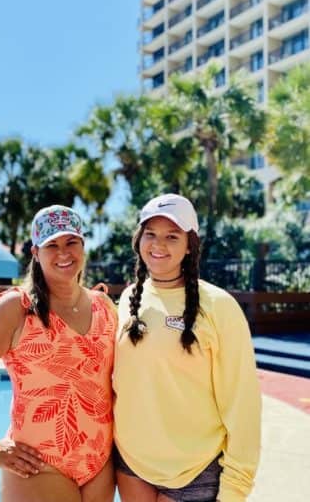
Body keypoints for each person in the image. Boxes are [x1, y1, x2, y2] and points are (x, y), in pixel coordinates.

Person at [0, 204, 117, 502]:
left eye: (71, 242)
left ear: (83, 246)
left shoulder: (104, 306)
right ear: (36, 253)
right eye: (52, 245)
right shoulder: (18, 308)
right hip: (38, 464)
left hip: (100, 462)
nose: (64, 252)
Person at [113, 193, 261, 502]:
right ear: (138, 239)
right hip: (131, 465)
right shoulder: (127, 299)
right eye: (150, 234)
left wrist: (235, 488)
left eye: (172, 236)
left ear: (189, 244)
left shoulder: (219, 306)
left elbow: (243, 404)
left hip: (194, 471)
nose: (158, 244)